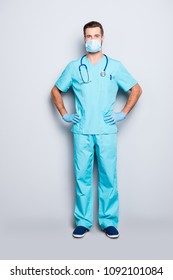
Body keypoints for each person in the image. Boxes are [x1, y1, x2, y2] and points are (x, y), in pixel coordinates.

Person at [50, 21, 142, 239]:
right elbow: (55, 90)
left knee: (108, 177)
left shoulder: (115, 67)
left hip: (106, 131)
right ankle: (82, 222)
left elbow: (136, 89)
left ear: (103, 38)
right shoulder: (74, 67)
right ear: (84, 40)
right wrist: (64, 113)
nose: (92, 40)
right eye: (88, 36)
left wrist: (123, 113)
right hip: (82, 131)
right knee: (82, 177)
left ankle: (109, 221)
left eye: (96, 36)